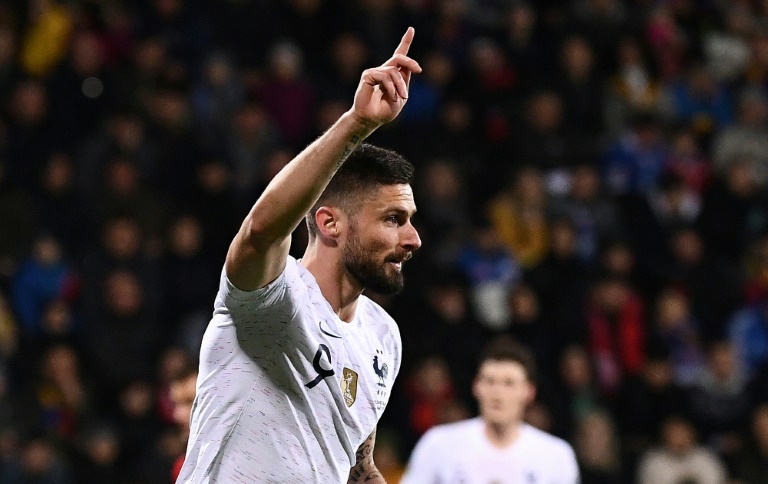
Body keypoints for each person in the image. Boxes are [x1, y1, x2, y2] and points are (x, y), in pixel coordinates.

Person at [178, 28, 423, 483]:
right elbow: (261, 231)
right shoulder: (272, 301)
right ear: (329, 223)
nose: (413, 239)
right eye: (393, 219)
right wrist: (356, 124)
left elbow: (359, 470)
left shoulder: (382, 337)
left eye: (409, 220)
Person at [401, 336, 579, 483]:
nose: (498, 393)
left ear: (529, 392)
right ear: (476, 387)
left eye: (509, 383)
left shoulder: (556, 456)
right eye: (490, 381)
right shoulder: (438, 445)